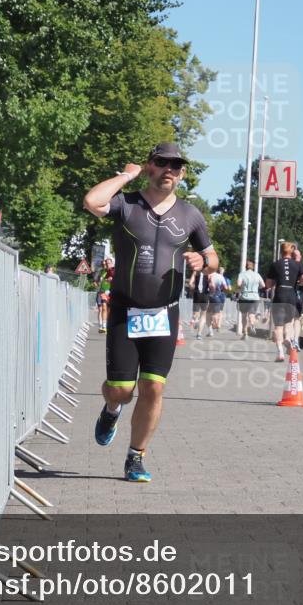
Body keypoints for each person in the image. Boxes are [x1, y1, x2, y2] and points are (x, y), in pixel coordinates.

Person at [83, 142, 218, 481]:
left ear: (183, 173)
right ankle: (112, 409)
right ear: (150, 166)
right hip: (124, 311)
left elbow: (214, 259)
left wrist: (204, 262)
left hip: (164, 313)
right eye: (162, 162)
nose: (169, 169)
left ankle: (135, 457)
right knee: (122, 390)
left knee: (153, 387)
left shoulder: (191, 215)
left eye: (176, 165)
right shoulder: (126, 205)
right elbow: (91, 202)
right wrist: (127, 176)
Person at [265, 241, 303, 362]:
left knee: (278, 326)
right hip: (291, 295)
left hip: (279, 294)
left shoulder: (275, 264)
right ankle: (288, 338)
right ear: (291, 251)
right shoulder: (297, 264)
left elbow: (268, 284)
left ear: (281, 252)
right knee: (289, 323)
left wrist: (275, 282)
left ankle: (280, 352)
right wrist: (299, 282)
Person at [236, 261, 264, 339]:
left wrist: (240, 288)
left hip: (244, 296)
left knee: (244, 316)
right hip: (255, 296)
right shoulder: (257, 275)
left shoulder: (242, 274)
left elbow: (238, 284)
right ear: (253, 267)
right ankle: (252, 324)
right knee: (252, 314)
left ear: (246, 267)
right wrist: (257, 287)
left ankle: (245, 333)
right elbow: (263, 285)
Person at [189, 268, 210, 339]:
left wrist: (193, 289)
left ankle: (195, 320)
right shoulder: (209, 272)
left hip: (197, 294)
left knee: (195, 313)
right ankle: (199, 334)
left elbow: (190, 284)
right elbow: (212, 284)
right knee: (203, 315)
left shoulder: (196, 271)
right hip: (205, 295)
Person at [206, 267, 228, 336]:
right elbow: (226, 287)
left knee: (208, 314)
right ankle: (215, 323)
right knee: (217, 313)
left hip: (209, 296)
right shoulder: (221, 277)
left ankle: (210, 330)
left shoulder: (209, 275)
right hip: (217, 296)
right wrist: (222, 289)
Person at [95, 258, 114, 333]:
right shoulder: (102, 272)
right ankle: (103, 326)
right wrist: (98, 284)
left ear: (112, 263)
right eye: (105, 264)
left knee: (109, 309)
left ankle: (108, 325)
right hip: (103, 292)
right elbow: (98, 281)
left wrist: (112, 279)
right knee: (103, 307)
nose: (106, 265)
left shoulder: (114, 270)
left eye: (108, 263)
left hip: (112, 292)